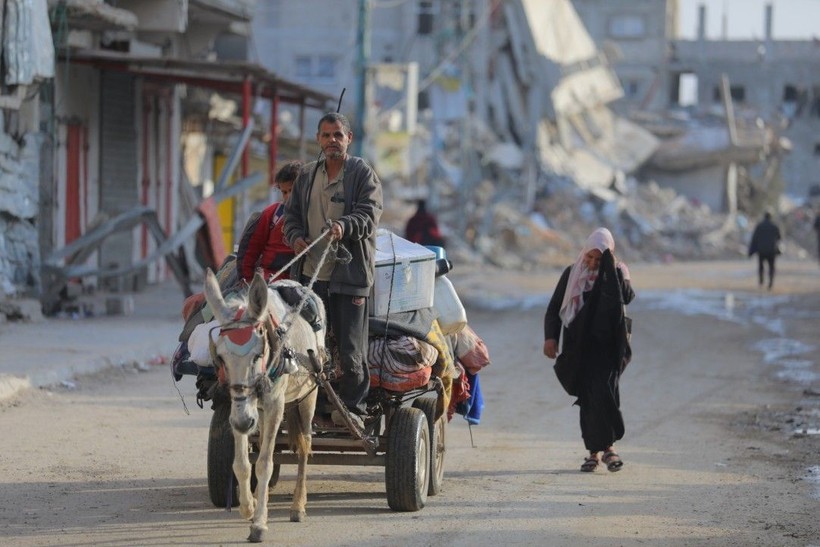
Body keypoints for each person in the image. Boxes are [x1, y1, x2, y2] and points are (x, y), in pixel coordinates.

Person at [284, 112, 383, 426]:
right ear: (318, 139)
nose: (332, 141)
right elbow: (291, 218)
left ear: (348, 139)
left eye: (338, 135)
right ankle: (315, 408)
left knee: (350, 349)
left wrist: (345, 226)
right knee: (312, 348)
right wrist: (296, 238)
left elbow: (369, 215)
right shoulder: (307, 175)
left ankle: (352, 407)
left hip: (349, 278)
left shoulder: (362, 173)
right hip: (311, 278)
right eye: (326, 135)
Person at [543, 228, 635, 473]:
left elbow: (626, 297)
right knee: (587, 399)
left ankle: (609, 448)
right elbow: (554, 308)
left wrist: (611, 269)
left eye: (599, 258)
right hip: (579, 347)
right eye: (590, 258)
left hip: (609, 348)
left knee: (606, 393)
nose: (593, 263)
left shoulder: (617, 272)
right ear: (583, 254)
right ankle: (594, 452)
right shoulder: (572, 274)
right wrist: (550, 338)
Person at [237, 161, 301, 283]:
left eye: (291, 190)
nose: (288, 196)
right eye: (284, 192)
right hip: (270, 277)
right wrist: (248, 280)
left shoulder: (314, 214)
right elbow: (251, 248)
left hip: (302, 279)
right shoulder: (273, 214)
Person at [748, 211, 782, 290]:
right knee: (771, 267)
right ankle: (770, 283)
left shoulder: (759, 226)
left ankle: (761, 281)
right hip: (771, 250)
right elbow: (779, 237)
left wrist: (751, 250)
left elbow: (754, 239)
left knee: (761, 267)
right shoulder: (774, 226)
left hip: (761, 250)